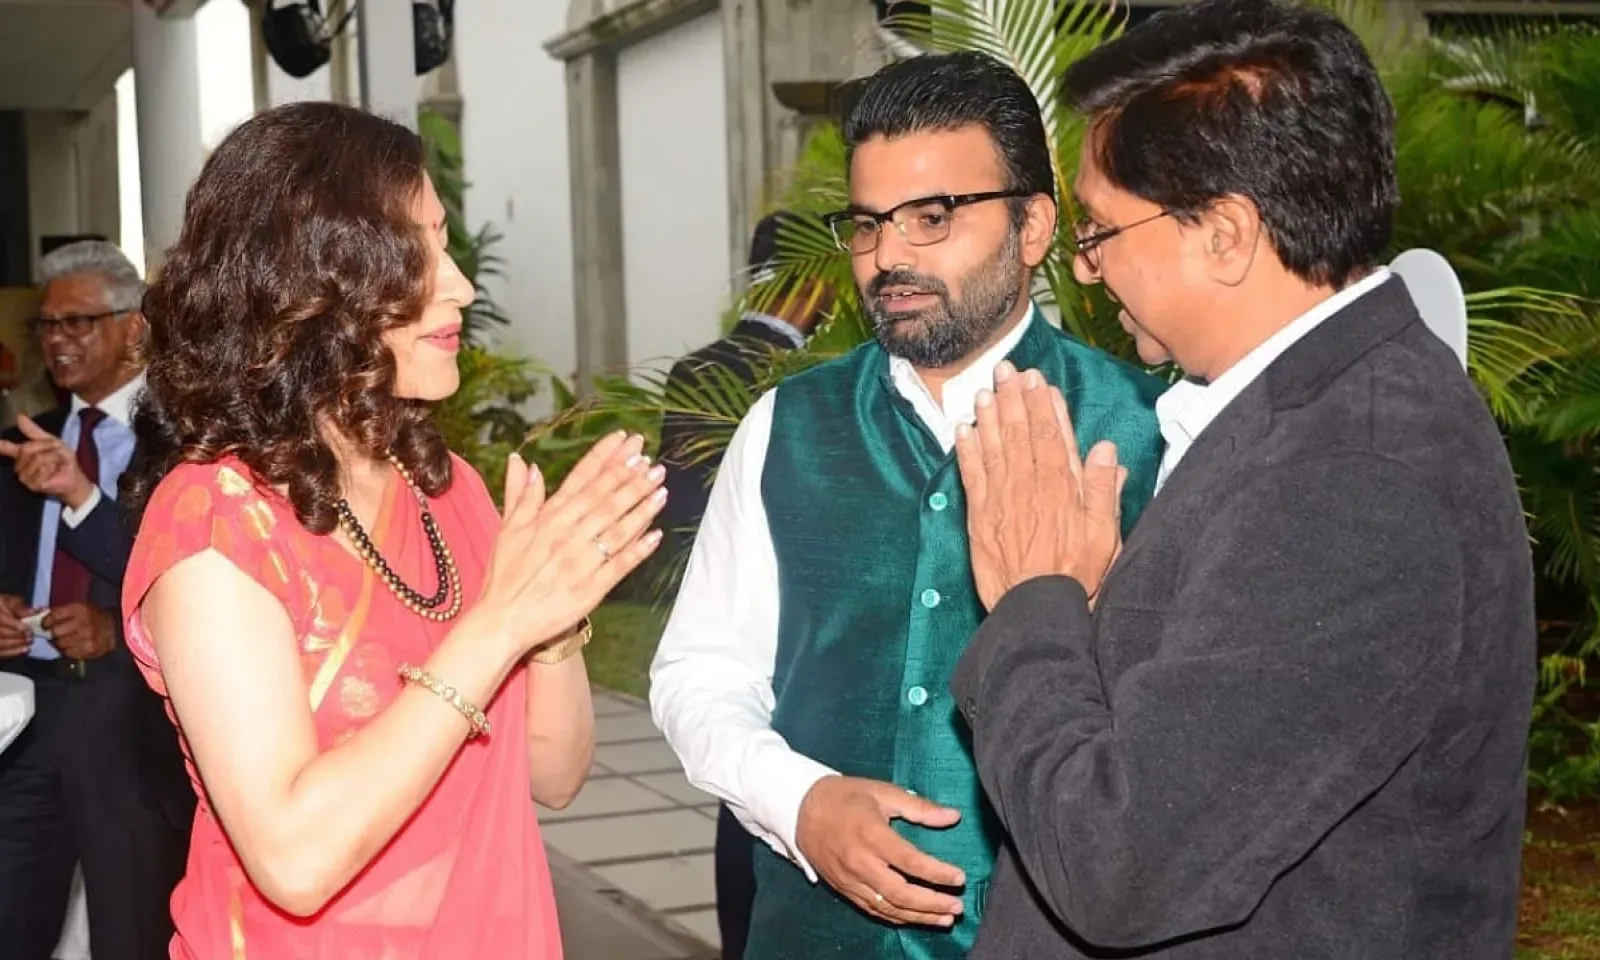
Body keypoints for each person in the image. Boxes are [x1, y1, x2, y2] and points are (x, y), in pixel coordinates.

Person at [947, 2, 1537, 957]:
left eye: (1100, 230)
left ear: (1225, 233)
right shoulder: (1309, 409)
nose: (1086, 272)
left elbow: (1120, 867)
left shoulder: (1356, 477)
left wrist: (1030, 603)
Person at [117, 101, 667, 959]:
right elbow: (294, 859)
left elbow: (555, 774)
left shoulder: (446, 489)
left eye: (445, 245)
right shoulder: (215, 524)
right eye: (418, 253)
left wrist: (552, 618)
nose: (461, 286)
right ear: (308, 283)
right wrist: (500, 625)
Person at [650, 52, 1166, 959]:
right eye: (867, 223)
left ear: (1034, 225)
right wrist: (797, 801)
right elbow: (700, 672)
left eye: (933, 217)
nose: (889, 256)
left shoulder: (1151, 432)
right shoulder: (785, 425)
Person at [0, 239, 192, 960]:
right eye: (46, 324)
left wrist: (115, 622)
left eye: (77, 321)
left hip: (127, 721)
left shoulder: (181, 441)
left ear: (134, 327)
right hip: (25, 716)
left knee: (131, 935)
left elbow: (179, 575)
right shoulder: (23, 443)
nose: (57, 340)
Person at [656, 209, 830, 958]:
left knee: (741, 777)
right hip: (802, 629)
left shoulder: (698, 366)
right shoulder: (807, 385)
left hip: (719, 613)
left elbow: (680, 510)